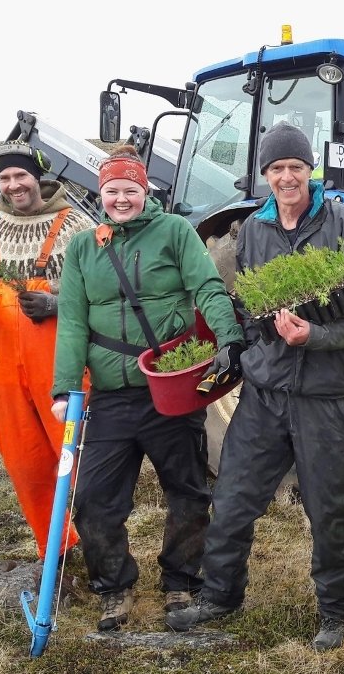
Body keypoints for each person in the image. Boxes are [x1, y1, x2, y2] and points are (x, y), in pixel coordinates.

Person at [165, 121, 344, 652]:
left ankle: (339, 607)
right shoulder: (254, 230)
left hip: (329, 395)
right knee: (233, 497)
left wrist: (313, 336)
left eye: (295, 167)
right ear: (266, 174)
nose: (287, 177)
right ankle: (220, 595)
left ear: (310, 170)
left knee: (330, 510)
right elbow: (247, 308)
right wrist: (247, 350)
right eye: (277, 168)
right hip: (265, 393)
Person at [50, 147, 245, 631]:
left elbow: (207, 287)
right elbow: (72, 321)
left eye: (130, 190)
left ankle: (181, 580)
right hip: (111, 396)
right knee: (93, 499)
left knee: (187, 492)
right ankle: (113, 586)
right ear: (101, 194)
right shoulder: (83, 248)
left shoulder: (175, 231)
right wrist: (65, 389)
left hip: (169, 390)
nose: (121, 199)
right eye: (112, 191)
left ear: (145, 191)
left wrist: (230, 339)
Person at [0, 141, 95, 562]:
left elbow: (101, 289)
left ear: (38, 176)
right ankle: (57, 551)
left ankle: (100, 546)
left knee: (79, 456)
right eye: (4, 178)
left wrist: (57, 301)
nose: (14, 185)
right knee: (24, 461)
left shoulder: (77, 225)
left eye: (21, 175)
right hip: (0, 361)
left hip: (61, 359)